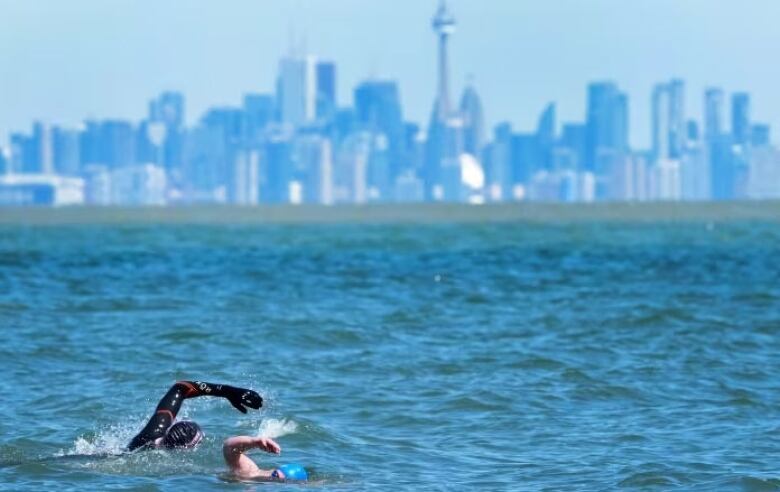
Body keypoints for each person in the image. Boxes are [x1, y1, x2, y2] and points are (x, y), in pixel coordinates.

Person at [128, 380, 263, 451]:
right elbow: (181, 387)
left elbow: (180, 388)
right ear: (185, 449)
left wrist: (228, 391)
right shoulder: (170, 466)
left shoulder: (152, 434)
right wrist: (229, 391)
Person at [223, 435, 308, 482]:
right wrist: (253, 442)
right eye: (275, 475)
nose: (273, 479)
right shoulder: (251, 472)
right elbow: (229, 447)